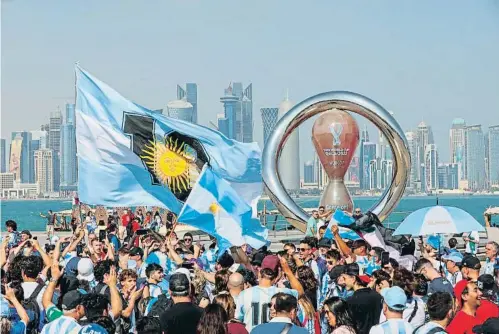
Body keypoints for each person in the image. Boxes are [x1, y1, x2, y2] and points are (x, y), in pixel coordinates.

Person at [235, 259, 299, 331]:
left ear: (259, 274)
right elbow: (300, 292)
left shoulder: (244, 294)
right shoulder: (283, 293)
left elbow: (238, 319)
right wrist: (287, 271)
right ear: (277, 275)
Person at [342, 263, 382, 334]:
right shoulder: (378, 296)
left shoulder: (351, 301)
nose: (343, 282)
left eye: (345, 278)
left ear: (353, 278)